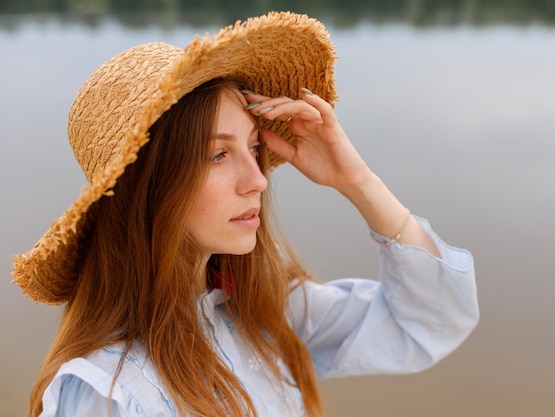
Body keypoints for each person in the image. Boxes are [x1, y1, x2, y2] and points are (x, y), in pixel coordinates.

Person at [11, 11, 479, 417]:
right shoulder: (108, 392)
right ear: (150, 188)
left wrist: (357, 182)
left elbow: (428, 321)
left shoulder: (266, 314)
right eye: (217, 155)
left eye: (254, 148)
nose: (257, 178)